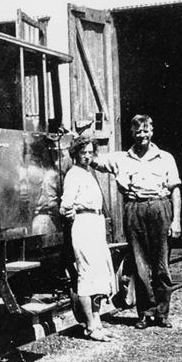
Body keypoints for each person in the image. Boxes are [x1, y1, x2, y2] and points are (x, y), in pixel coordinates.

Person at [89, 114, 182, 329]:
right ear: (132, 133)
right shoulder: (121, 158)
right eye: (138, 131)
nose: (142, 135)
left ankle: (162, 313)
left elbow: (175, 190)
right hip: (134, 208)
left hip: (159, 207)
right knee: (139, 264)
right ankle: (145, 313)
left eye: (145, 131)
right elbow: (92, 159)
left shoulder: (165, 157)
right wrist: (82, 135)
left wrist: (176, 220)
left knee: (161, 265)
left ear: (152, 132)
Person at [60, 134, 117, 341]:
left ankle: (97, 323)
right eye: (83, 152)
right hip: (84, 225)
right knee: (86, 276)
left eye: (90, 152)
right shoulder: (74, 174)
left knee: (98, 276)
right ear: (75, 153)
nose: (87, 156)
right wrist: (73, 210)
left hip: (95, 224)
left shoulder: (87, 172)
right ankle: (91, 326)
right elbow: (65, 205)